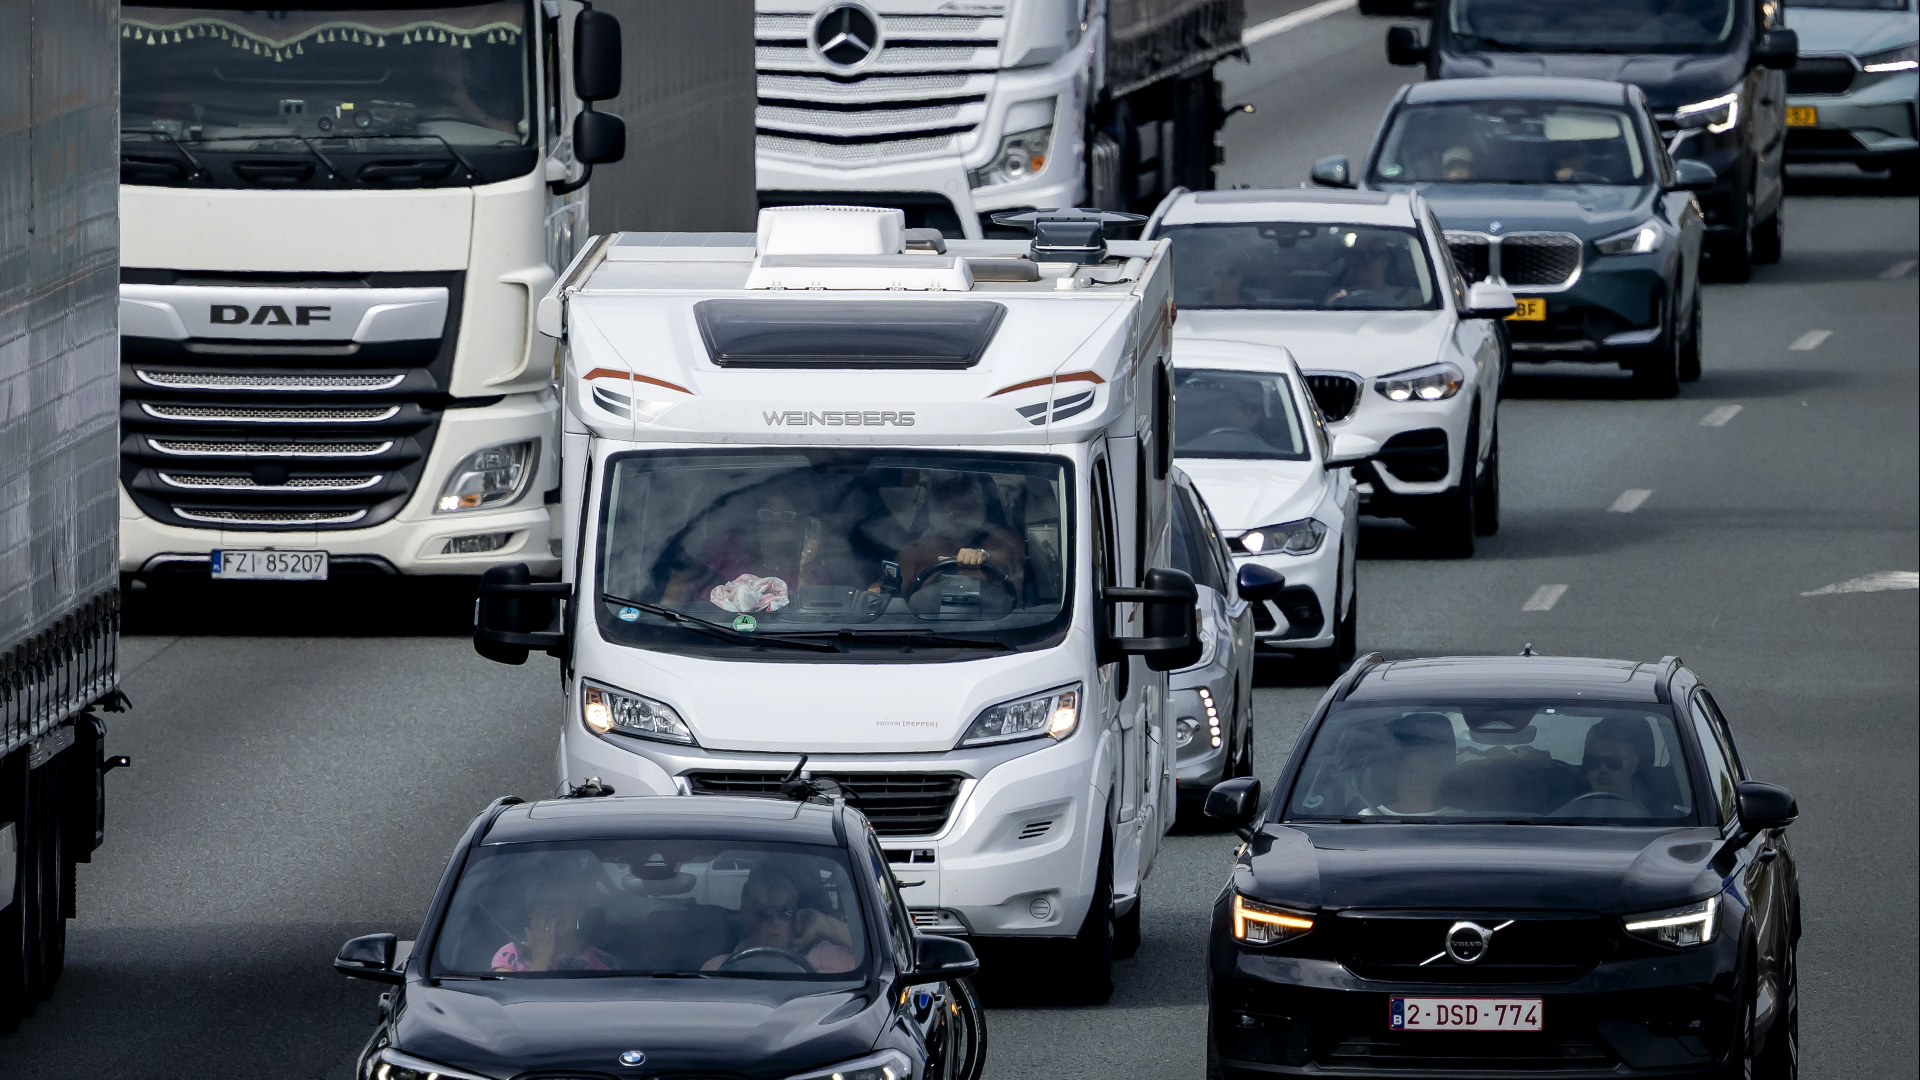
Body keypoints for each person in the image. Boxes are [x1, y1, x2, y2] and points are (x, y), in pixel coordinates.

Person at [661, 491, 826, 607]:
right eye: (767, 514)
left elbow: (808, 613)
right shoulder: (726, 555)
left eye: (785, 515)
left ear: (796, 525)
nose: (775, 523)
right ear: (756, 522)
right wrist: (667, 605)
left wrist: (805, 569)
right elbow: (687, 578)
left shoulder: (809, 570)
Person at [884, 473, 1026, 601]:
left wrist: (984, 556)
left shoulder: (1005, 537)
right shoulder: (915, 551)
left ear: (978, 497)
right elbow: (888, 589)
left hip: (1000, 627)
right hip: (929, 628)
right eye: (945, 498)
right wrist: (877, 591)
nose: (955, 505)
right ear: (933, 505)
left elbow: (1010, 557)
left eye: (963, 494)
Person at [705, 867, 857, 973]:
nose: (775, 921)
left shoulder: (827, 956)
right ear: (745, 919)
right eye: (765, 914)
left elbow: (875, 957)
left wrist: (825, 924)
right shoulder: (718, 968)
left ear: (795, 917)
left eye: (785, 912)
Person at [491, 880, 616, 972]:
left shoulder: (601, 960)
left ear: (580, 910)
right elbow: (517, 1004)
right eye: (546, 903)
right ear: (532, 912)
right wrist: (540, 958)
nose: (555, 911)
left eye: (565, 902)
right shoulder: (510, 956)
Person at [1360, 712, 1463, 816]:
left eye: (1423, 772)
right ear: (1396, 775)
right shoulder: (1368, 817)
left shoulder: (1462, 820)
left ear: (1438, 776)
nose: (1413, 780)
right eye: (1406, 772)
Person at [1325, 233, 1420, 308]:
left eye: (1373, 253)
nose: (1366, 260)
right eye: (1359, 254)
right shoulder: (1337, 297)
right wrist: (1332, 304)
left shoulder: (1413, 298)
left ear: (1386, 260)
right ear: (1352, 259)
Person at [1581, 717, 1657, 807]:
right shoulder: (1566, 803)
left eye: (1613, 761)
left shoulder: (1657, 809)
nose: (1603, 769)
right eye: (1592, 762)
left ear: (1633, 765)